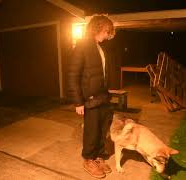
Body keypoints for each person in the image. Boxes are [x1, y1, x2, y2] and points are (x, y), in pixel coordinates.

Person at [67, 14, 115, 178]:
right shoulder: (82, 46)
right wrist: (78, 102)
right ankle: (88, 159)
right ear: (99, 28)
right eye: (107, 31)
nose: (108, 35)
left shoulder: (99, 47)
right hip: (90, 99)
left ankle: (98, 156)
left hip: (103, 98)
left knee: (102, 130)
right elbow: (73, 75)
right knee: (91, 131)